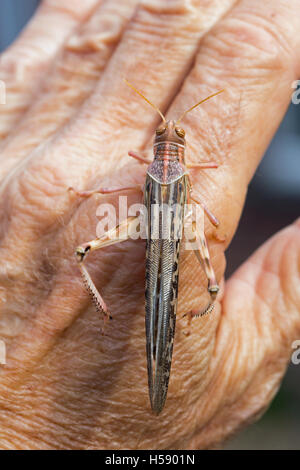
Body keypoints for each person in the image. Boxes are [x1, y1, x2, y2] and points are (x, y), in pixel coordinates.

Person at [0, 0, 299, 450]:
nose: (169, 135)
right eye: (168, 134)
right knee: (108, 248)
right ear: (173, 147)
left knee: (125, 250)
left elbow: (113, 195)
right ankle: (141, 312)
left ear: (161, 149)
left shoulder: (151, 167)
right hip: (170, 225)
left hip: (164, 231)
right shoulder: (182, 169)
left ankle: (157, 318)